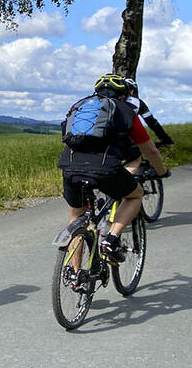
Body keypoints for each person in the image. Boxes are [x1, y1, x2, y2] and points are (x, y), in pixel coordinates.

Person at [58, 74, 168, 263]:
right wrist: (161, 171)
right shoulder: (126, 111)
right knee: (134, 195)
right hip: (104, 168)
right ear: (124, 94)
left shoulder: (79, 106)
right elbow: (149, 149)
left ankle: (75, 276)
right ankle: (110, 240)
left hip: (69, 166)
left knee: (77, 218)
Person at [121, 77, 174, 174]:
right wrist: (166, 139)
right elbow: (152, 123)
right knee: (135, 160)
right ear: (132, 91)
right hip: (125, 138)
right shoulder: (137, 102)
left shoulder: (107, 102)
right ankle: (123, 185)